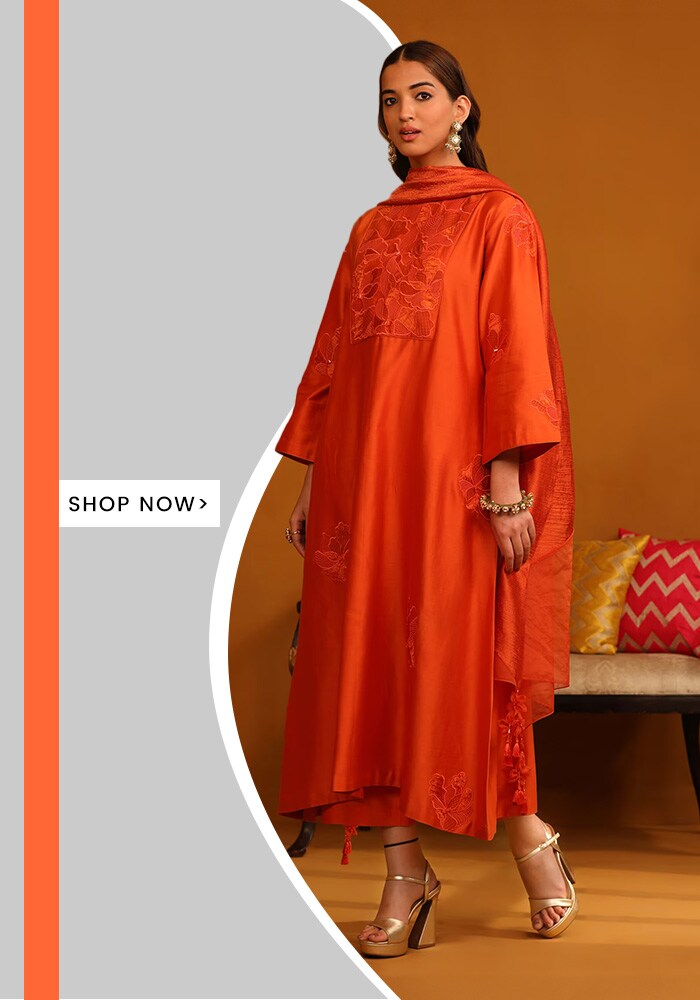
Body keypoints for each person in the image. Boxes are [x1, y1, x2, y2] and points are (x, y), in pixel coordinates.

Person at [275, 40, 577, 957]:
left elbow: (515, 348)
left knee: (465, 655)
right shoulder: (369, 229)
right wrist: (313, 478)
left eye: (421, 95)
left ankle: (532, 839)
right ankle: (406, 873)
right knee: (367, 667)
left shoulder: (500, 216)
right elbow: (333, 360)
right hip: (361, 484)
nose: (404, 113)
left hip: (457, 482)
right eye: (389, 99)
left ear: (460, 109)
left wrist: (505, 482)